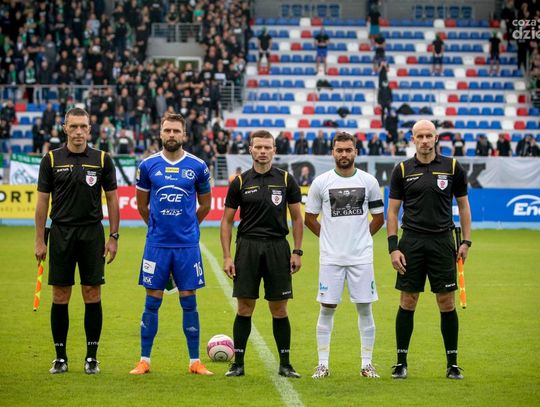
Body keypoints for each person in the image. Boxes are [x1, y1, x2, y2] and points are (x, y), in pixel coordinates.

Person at [34, 107, 120, 375]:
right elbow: (42, 202)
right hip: (61, 233)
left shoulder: (102, 159)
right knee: (60, 295)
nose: (79, 132)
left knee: (92, 293)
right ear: (65, 128)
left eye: (83, 127)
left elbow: (113, 199)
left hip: (92, 234)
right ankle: (60, 358)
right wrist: (39, 240)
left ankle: (91, 357)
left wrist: (113, 236)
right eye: (74, 127)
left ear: (90, 130)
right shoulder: (51, 159)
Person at [387, 120, 472, 380]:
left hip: (442, 242)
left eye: (429, 136)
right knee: (408, 301)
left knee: (446, 302)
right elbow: (392, 211)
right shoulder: (402, 169)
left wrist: (466, 241)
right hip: (411, 242)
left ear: (436, 138)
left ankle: (452, 364)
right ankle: (401, 362)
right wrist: (393, 247)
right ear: (412, 139)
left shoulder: (453, 167)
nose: (425, 140)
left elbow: (464, 206)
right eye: (420, 136)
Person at [129, 113, 213, 376]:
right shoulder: (148, 165)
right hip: (157, 245)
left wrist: (188, 227)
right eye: (168, 130)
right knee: (151, 302)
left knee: (189, 301)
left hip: (187, 247)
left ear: (184, 134)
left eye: (177, 131)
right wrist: (157, 227)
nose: (172, 135)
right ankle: (144, 360)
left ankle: (195, 361)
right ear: (161, 133)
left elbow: (206, 205)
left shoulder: (198, 166)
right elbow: (142, 206)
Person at [220, 130, 304, 378]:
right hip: (248, 247)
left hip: (278, 247)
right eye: (258, 147)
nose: (263, 151)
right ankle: (238, 364)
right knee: (244, 307)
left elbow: (297, 218)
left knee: (279, 309)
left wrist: (297, 251)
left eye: (268, 147)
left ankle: (285, 364)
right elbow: (226, 222)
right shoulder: (240, 182)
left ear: (274, 150)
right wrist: (227, 256)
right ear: (251, 149)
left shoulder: (286, 179)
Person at [305, 132, 385, 379]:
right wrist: (329, 238)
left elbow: (379, 218)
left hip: (361, 258)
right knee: (327, 308)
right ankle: (322, 364)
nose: (344, 154)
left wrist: (362, 238)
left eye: (348, 150)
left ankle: (367, 365)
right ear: (333, 152)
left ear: (355, 152)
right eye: (339, 150)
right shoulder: (321, 182)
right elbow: (309, 218)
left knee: (365, 309)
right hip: (331, 258)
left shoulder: (369, 181)